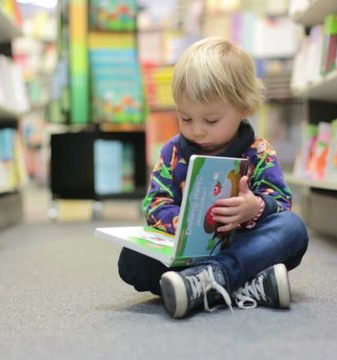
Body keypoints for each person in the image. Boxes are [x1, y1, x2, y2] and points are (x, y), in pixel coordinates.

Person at [118, 37, 309, 319]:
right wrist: (181, 222)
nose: (197, 131)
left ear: (244, 108)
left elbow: (281, 203)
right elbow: (154, 203)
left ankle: (208, 280)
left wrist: (254, 207)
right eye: (185, 118)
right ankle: (245, 286)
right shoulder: (172, 151)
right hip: (186, 253)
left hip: (245, 247)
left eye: (210, 120)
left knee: (292, 229)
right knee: (130, 260)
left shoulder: (259, 151)